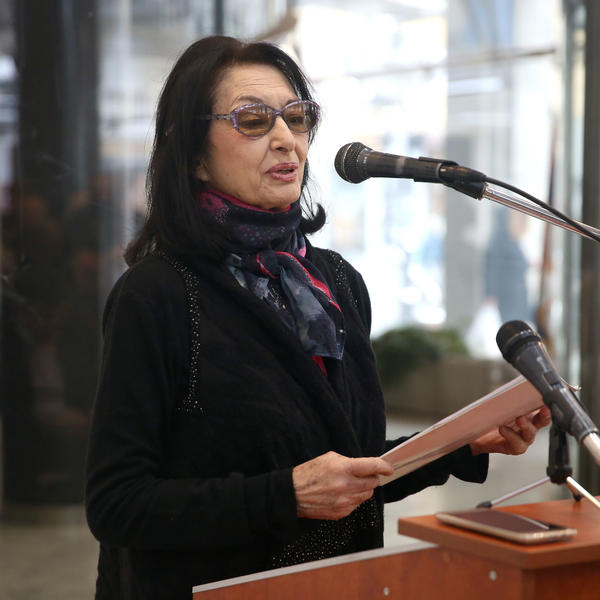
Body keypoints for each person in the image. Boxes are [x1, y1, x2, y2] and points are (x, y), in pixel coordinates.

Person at [85, 36, 551, 600]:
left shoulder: (336, 282)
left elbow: (351, 471)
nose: (287, 138)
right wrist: (286, 495)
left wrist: (464, 444)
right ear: (194, 157)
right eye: (253, 120)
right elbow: (117, 503)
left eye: (297, 116)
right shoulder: (158, 294)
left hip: (343, 583)